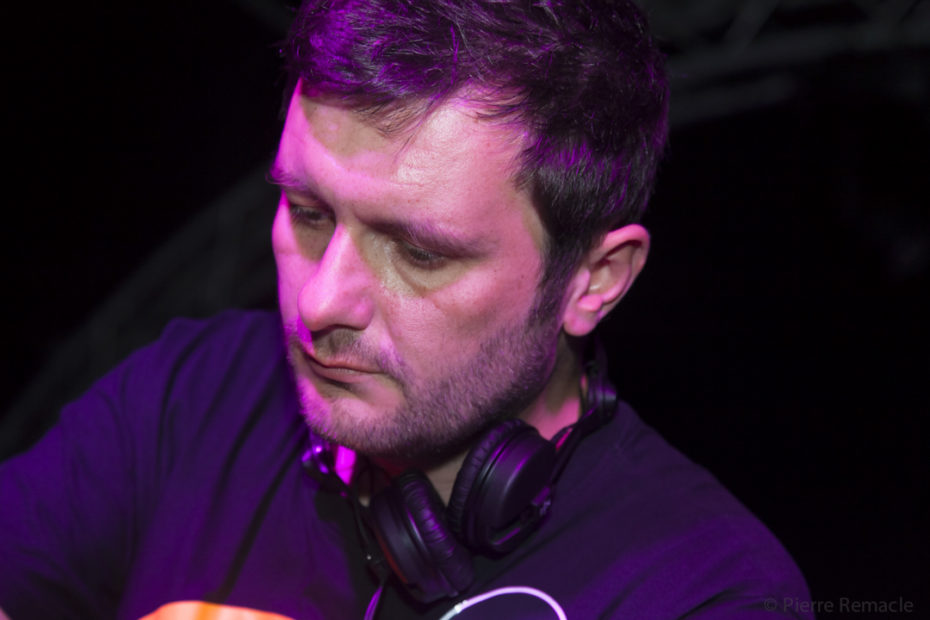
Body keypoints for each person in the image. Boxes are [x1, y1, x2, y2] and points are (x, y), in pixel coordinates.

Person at [0, 0, 813, 618]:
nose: (320, 302)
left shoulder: (711, 588)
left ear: (594, 280)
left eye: (420, 254)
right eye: (307, 213)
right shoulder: (195, 387)